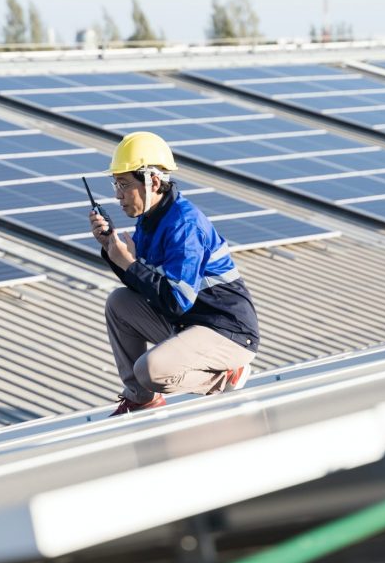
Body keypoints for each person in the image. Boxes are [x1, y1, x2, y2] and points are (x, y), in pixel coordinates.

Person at [89, 131, 259, 416]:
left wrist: (129, 263)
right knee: (118, 302)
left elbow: (175, 300)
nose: (117, 194)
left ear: (153, 181)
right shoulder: (150, 219)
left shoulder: (184, 225)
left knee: (150, 369)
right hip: (190, 324)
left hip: (228, 331)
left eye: (123, 184)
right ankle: (141, 399)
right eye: (115, 184)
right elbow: (144, 288)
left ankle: (225, 375)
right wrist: (111, 249)